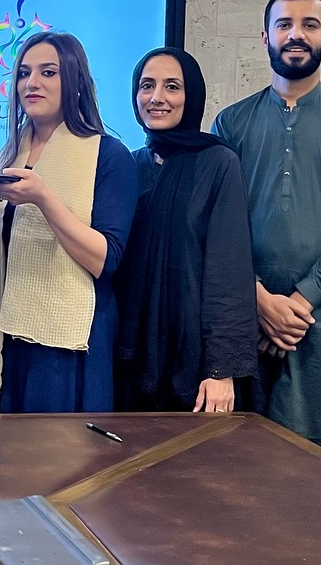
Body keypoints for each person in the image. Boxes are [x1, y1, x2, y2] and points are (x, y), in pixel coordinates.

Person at [212, 0, 321, 455]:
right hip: (247, 313)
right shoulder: (231, 123)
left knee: (314, 462)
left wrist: (299, 301)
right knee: (238, 456)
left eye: (310, 25)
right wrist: (260, 300)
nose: (296, 35)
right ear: (264, 36)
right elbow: (217, 228)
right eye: (284, 24)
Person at [0, 31, 137, 414]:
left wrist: (43, 198)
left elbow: (105, 260)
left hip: (69, 341)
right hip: (8, 329)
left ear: (76, 83)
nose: (31, 83)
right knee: (3, 446)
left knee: (58, 448)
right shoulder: (10, 155)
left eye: (48, 72)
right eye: (24, 73)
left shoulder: (109, 156)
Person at [115, 47, 257, 413]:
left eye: (172, 86)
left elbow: (229, 274)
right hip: (129, 360)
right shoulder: (131, 165)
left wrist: (220, 370)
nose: (157, 97)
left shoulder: (219, 164)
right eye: (147, 85)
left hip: (194, 366)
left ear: (191, 95)